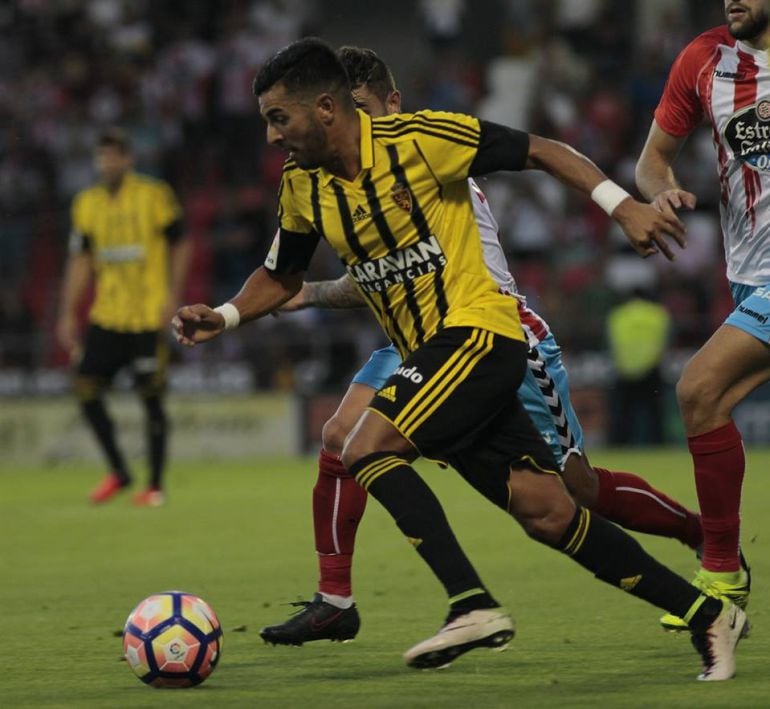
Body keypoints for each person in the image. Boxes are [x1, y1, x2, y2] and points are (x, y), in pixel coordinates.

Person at [173, 38, 745, 679]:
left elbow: (542, 150)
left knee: (363, 446)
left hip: (481, 331)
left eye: (279, 118)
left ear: (326, 108)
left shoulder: (421, 141)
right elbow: (281, 277)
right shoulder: (304, 188)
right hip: (431, 356)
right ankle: (706, 614)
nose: (272, 136)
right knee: (550, 512)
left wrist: (623, 208)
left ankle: (470, 604)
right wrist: (222, 315)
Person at [635, 0, 765, 631]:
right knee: (708, 398)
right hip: (748, 278)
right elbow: (650, 159)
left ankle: (721, 572)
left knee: (699, 388)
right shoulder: (704, 59)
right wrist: (660, 188)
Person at [57, 127, 190, 506]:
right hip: (107, 315)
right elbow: (80, 261)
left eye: (113, 155)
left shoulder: (154, 195)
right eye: (101, 156)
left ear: (128, 159)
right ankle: (119, 470)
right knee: (85, 386)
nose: (106, 162)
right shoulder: (86, 203)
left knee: (151, 396)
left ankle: (155, 485)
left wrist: (173, 296)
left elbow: (181, 243)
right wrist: (67, 312)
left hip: (148, 315)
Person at [607, 288, 672, 446]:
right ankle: (658, 445)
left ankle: (618, 446)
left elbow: (613, 342)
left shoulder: (617, 315)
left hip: (625, 369)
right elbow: (663, 341)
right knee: (654, 414)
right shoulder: (658, 314)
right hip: (651, 368)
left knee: (623, 415)